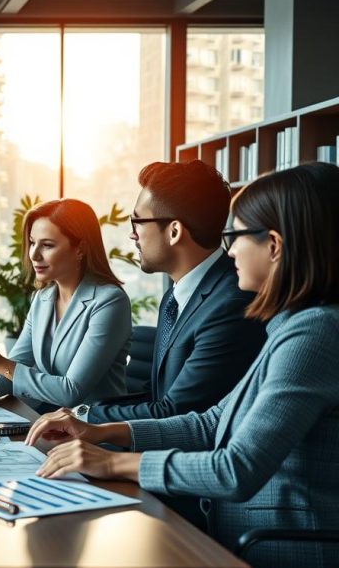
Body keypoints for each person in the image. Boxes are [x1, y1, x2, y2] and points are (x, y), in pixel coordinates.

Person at [26, 163, 339, 568]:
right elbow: (212, 423)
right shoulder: (291, 325)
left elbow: (235, 469)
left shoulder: (315, 334)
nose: (228, 251)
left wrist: (111, 462)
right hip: (233, 535)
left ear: (275, 245)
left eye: (236, 236)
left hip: (278, 553)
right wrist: (101, 431)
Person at [87, 160, 265, 425]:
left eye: (137, 221)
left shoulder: (231, 303)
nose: (132, 235)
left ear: (174, 231)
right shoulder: (175, 296)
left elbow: (176, 412)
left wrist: (84, 418)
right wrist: (82, 412)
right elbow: (155, 397)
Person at [0, 198, 131, 413]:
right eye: (32, 242)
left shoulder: (110, 301)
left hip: (94, 431)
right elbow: (21, 363)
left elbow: (71, 391)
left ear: (80, 248)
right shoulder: (43, 298)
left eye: (47, 245)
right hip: (47, 421)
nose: (34, 254)